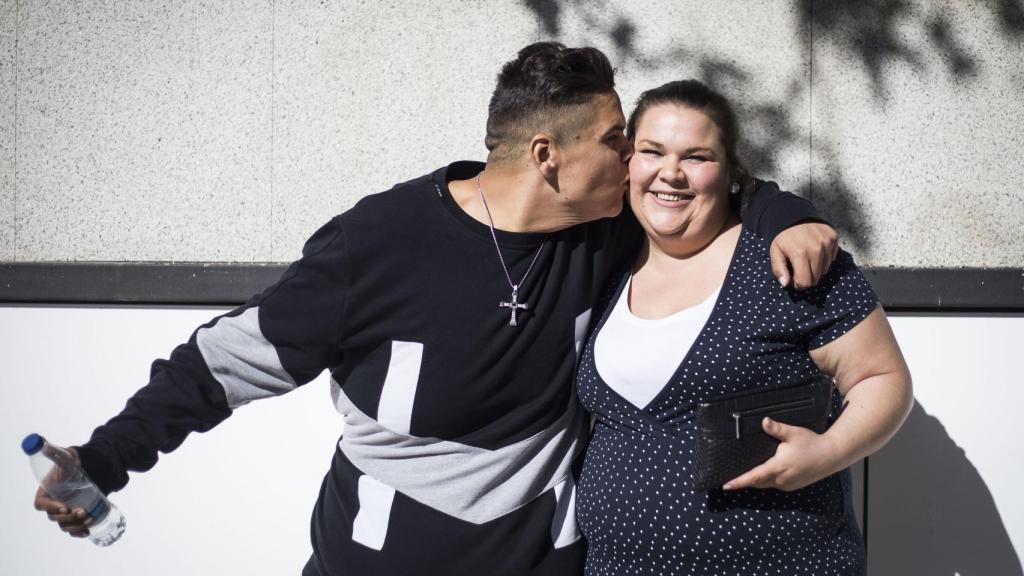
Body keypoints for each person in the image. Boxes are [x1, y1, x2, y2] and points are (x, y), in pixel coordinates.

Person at [33, 44, 839, 575]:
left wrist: (789, 216)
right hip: (382, 553)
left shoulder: (609, 227)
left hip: (541, 555)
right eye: (616, 140)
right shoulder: (381, 243)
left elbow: (718, 187)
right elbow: (219, 368)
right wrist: (102, 462)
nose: (637, 160)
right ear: (547, 157)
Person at [574, 79, 914, 575]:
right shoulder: (607, 262)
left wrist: (825, 454)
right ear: (628, 163)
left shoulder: (786, 260)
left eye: (697, 157)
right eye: (651, 151)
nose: (671, 173)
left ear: (730, 171)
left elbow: (883, 379)